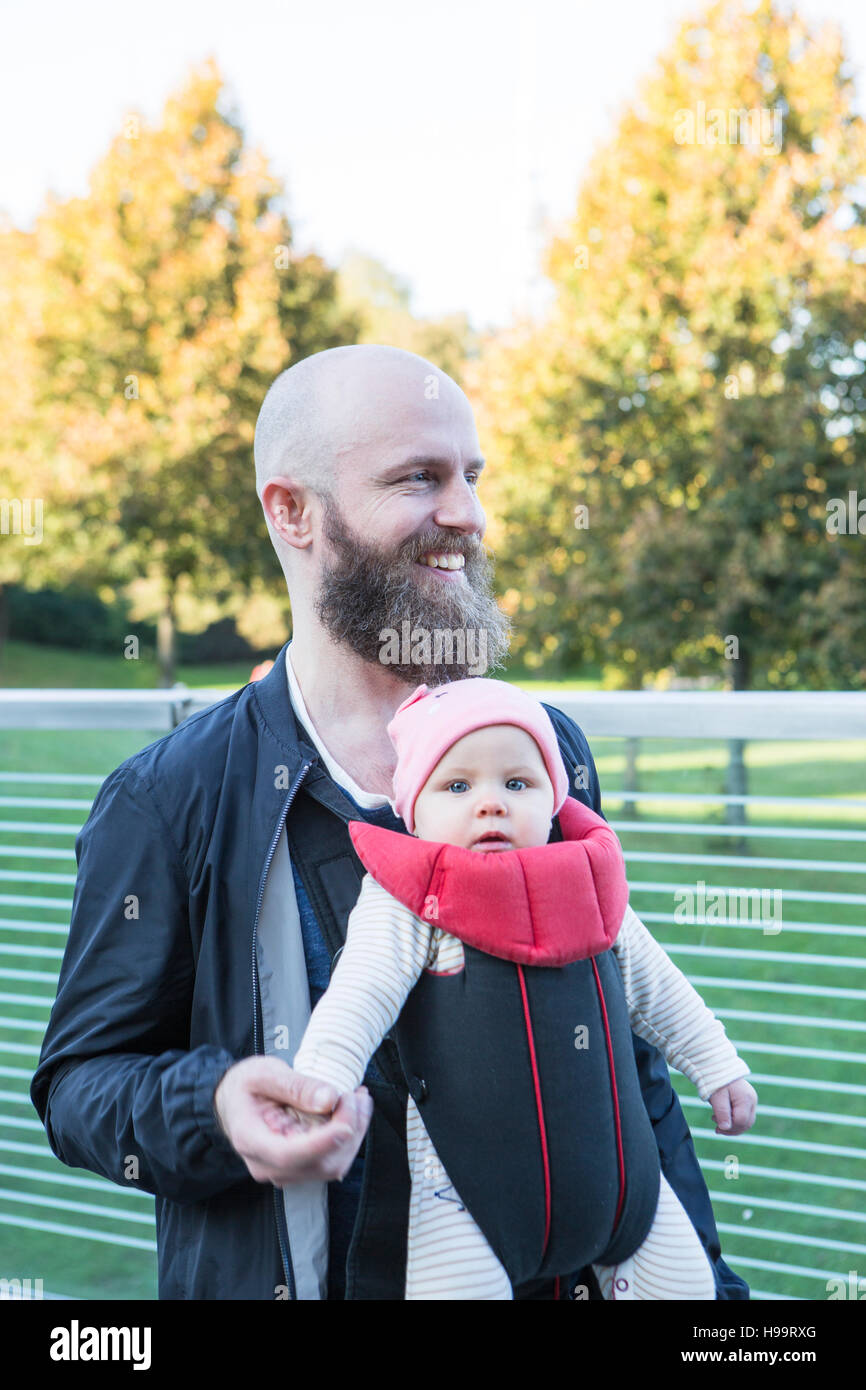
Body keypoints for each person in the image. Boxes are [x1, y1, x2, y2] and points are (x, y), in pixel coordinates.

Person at [31, 343, 751, 1300]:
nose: (468, 515)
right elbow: (80, 1085)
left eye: (471, 477)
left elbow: (623, 1058)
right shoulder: (167, 800)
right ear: (291, 511)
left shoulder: (542, 748)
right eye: (420, 478)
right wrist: (212, 1108)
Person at [281, 678, 757, 1300]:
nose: (491, 803)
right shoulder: (411, 902)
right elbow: (359, 995)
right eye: (457, 785)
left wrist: (718, 1066)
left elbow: (658, 987)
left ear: (553, 799)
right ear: (412, 809)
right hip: (465, 1197)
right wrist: (318, 1084)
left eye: (517, 783)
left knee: (688, 1291)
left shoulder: (585, 880)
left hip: (621, 1183)